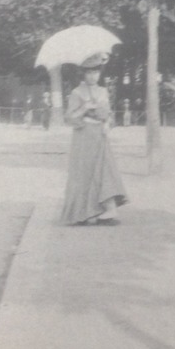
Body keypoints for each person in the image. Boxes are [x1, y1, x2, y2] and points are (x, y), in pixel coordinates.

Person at [60, 53, 128, 225]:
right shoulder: (76, 92)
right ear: (83, 73)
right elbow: (69, 119)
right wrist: (84, 108)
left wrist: (107, 123)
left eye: (96, 72)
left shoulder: (103, 91)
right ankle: (82, 213)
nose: (93, 76)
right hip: (83, 136)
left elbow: (109, 115)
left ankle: (108, 209)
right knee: (84, 172)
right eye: (89, 72)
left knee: (104, 169)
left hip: (100, 135)